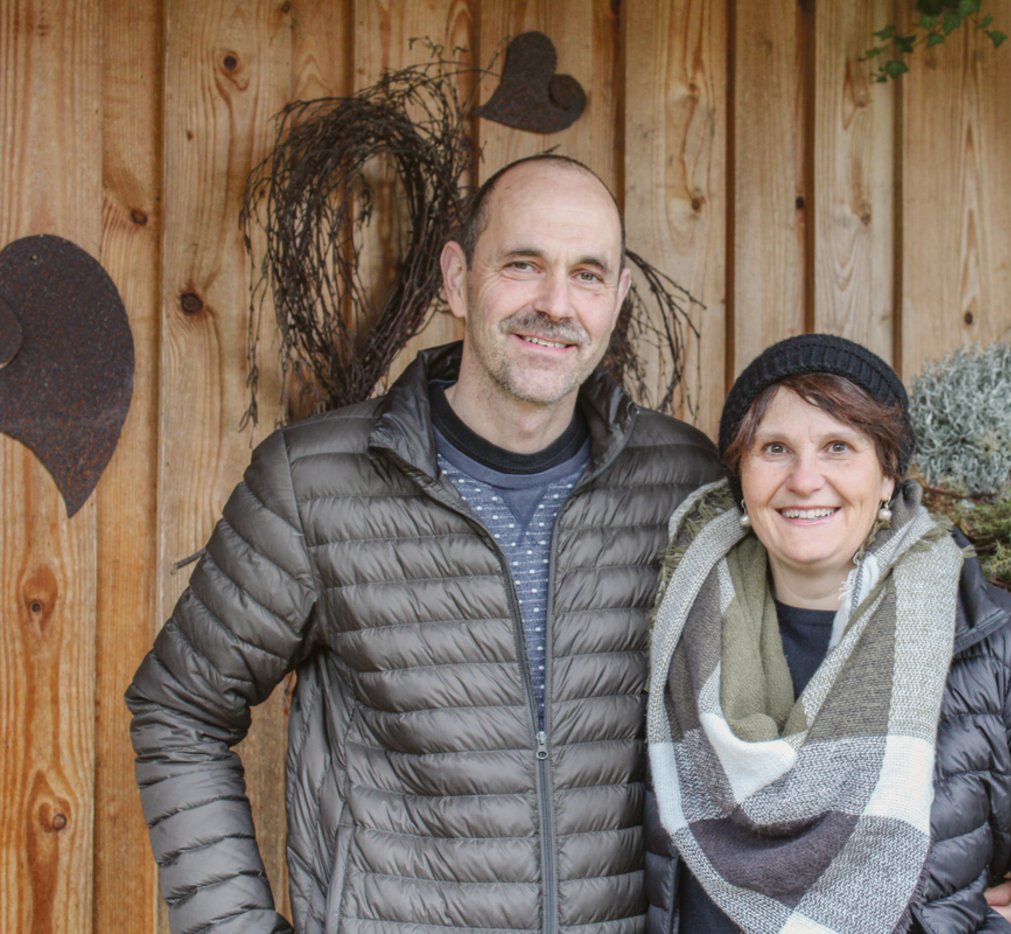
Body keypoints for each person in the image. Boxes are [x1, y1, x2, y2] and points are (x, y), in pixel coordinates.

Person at [126, 154, 722, 933]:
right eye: (523, 264)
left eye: (586, 274)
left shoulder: (682, 483)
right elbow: (180, 709)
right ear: (455, 279)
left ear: (617, 300)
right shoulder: (315, 484)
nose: (555, 302)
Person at [644, 334, 1011, 933]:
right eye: (775, 448)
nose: (805, 480)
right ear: (741, 476)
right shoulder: (674, 627)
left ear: (886, 476)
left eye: (838, 447)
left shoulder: (1000, 650)